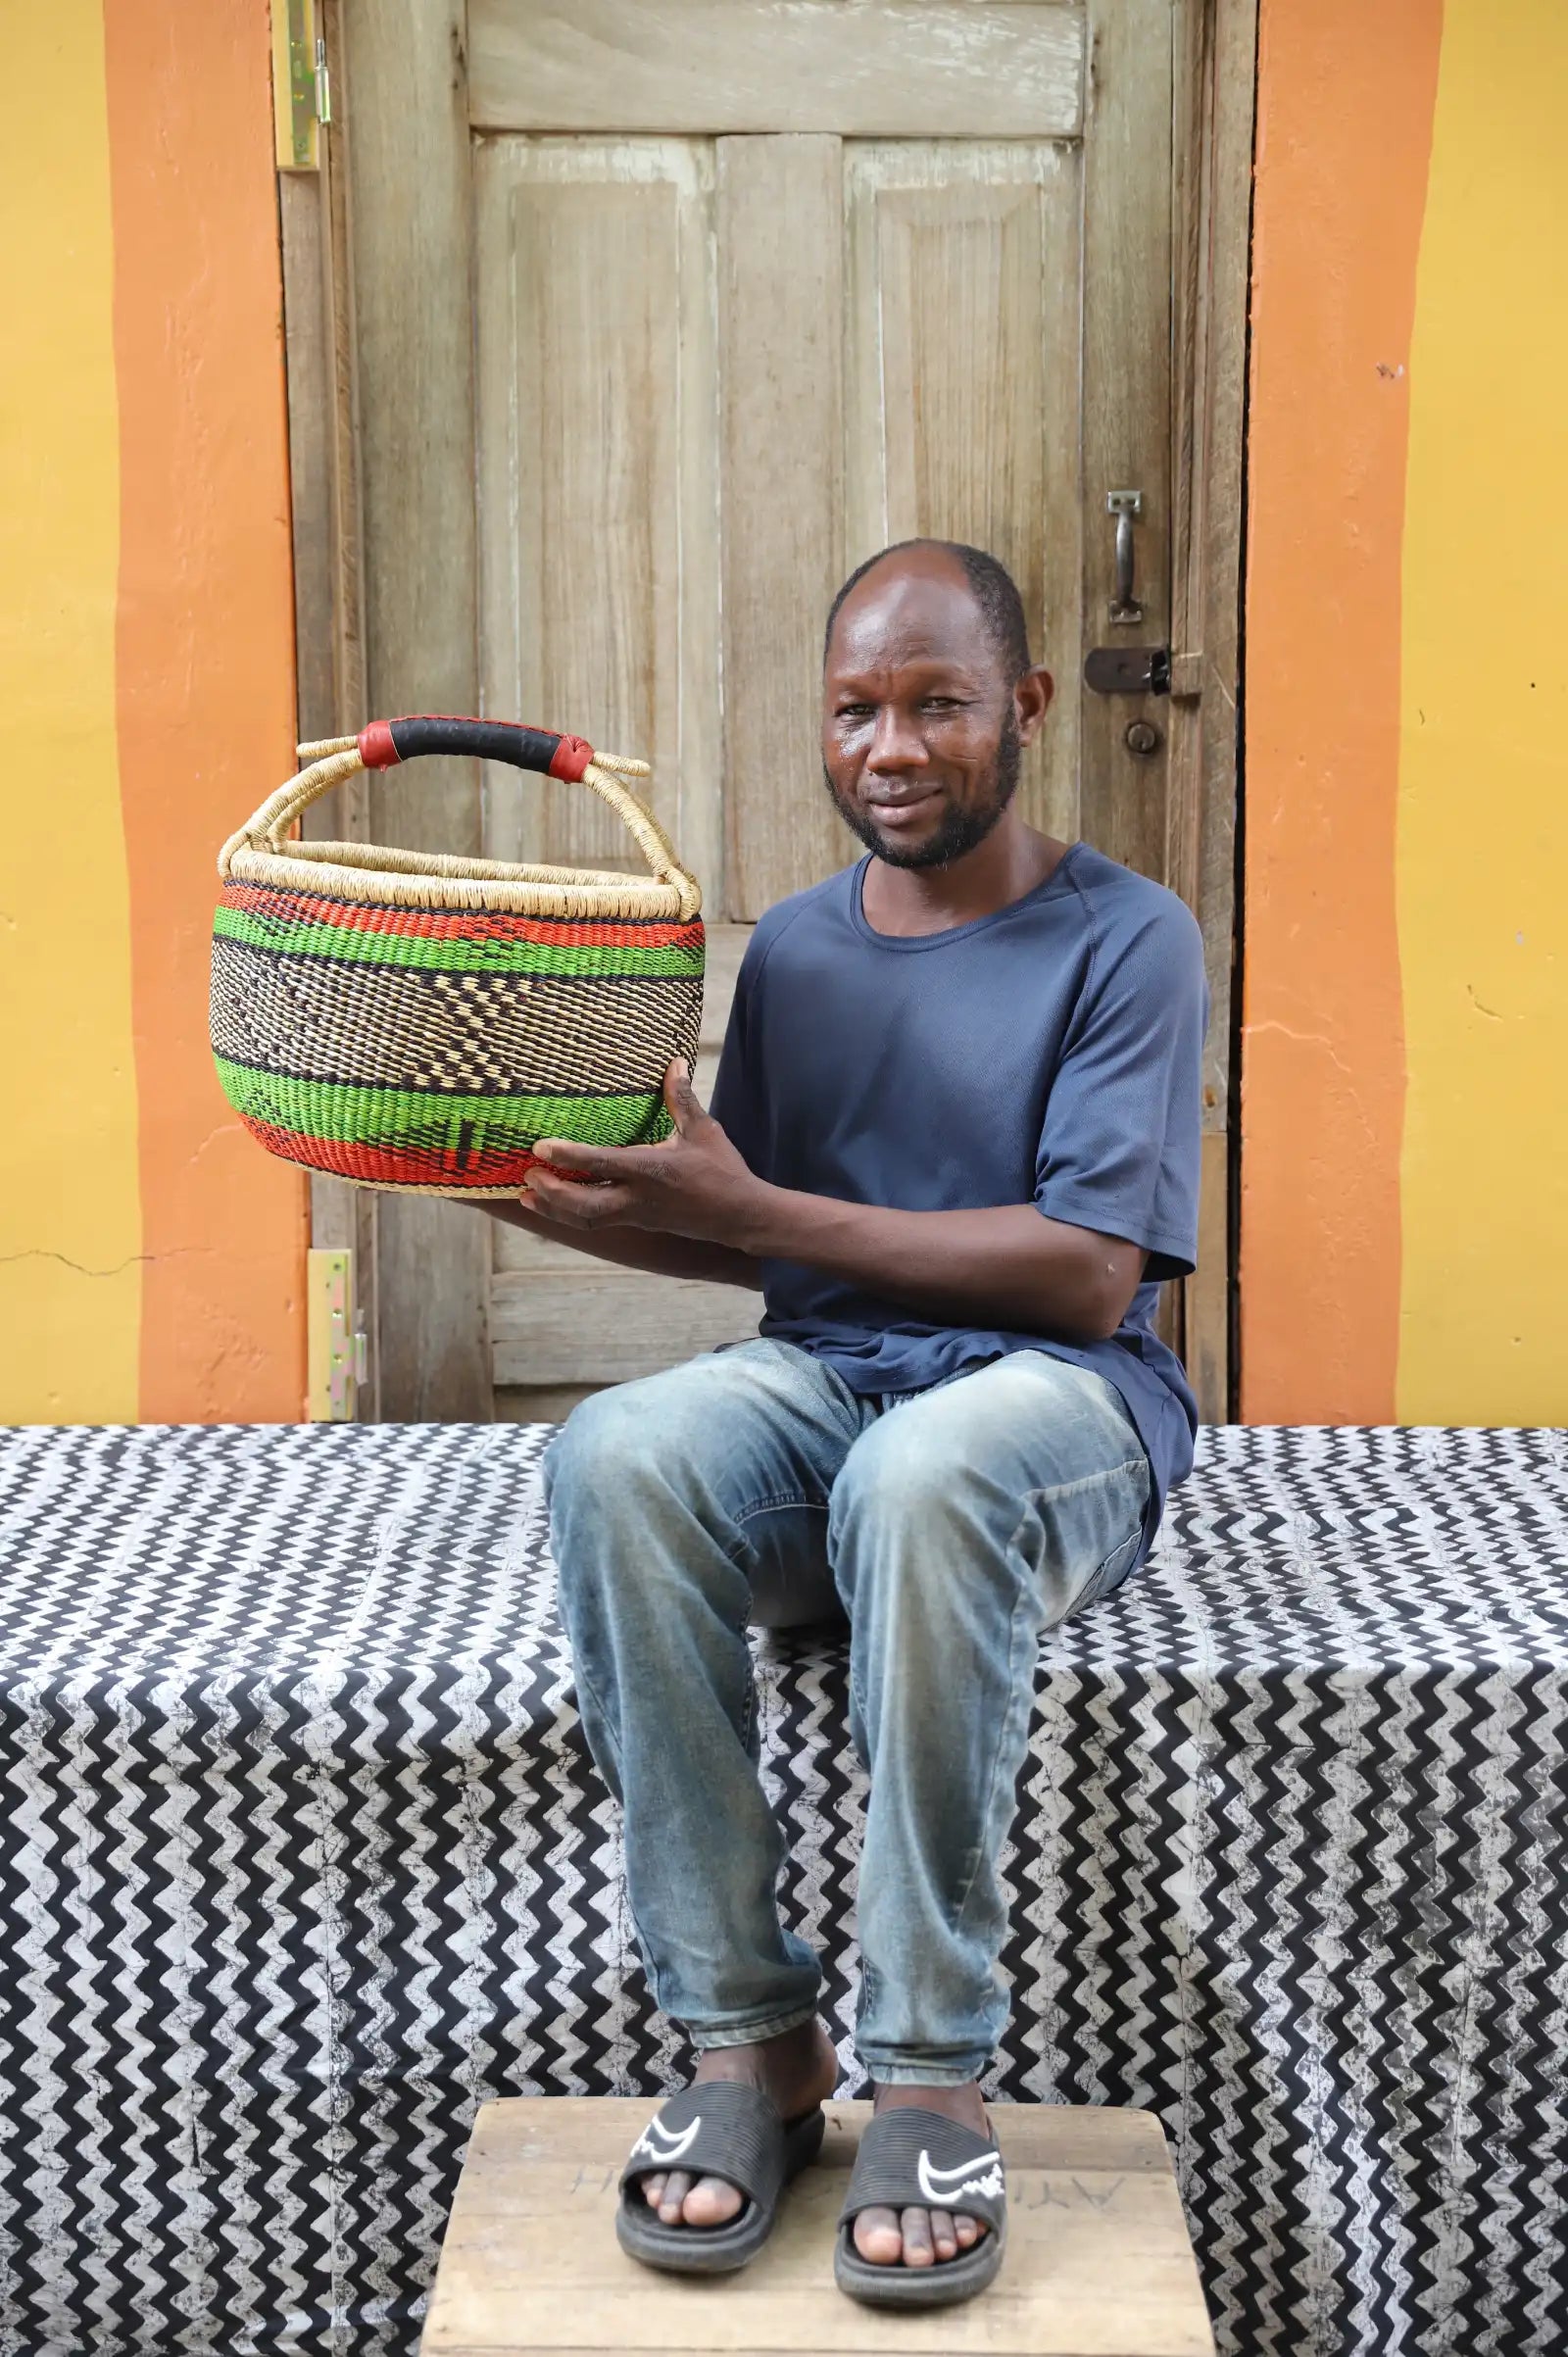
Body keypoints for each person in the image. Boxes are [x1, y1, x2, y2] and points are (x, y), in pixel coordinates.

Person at [493, 539, 1205, 2310]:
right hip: (833, 1389)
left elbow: (1081, 1275)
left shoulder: (1129, 936)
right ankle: (749, 2042)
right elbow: (753, 1216)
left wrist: (747, 1220)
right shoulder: (800, 949)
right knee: (617, 1450)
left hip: (1057, 1412)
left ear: (1024, 708)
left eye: (936, 703)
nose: (890, 745)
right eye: (856, 709)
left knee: (926, 1469)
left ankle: (932, 2066)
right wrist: (519, 1192)